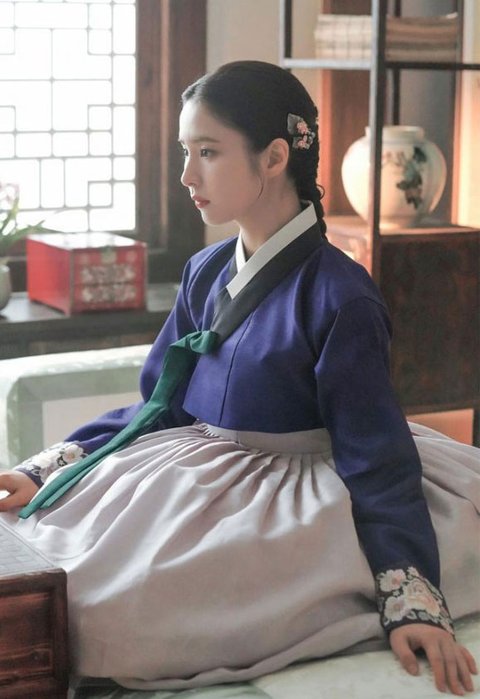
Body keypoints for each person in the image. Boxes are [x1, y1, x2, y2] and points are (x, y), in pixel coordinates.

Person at [0, 60, 479, 695]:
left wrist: (413, 602)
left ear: (275, 156)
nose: (187, 175)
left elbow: (376, 457)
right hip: (196, 466)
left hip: (298, 491)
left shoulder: (341, 295)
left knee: (117, 613)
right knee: (45, 561)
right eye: (185, 151)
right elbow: (159, 406)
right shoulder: (204, 270)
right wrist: (51, 469)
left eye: (208, 152)